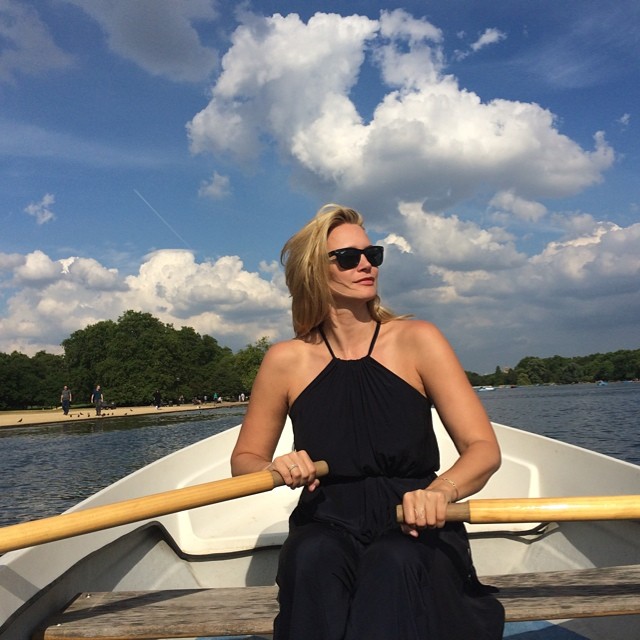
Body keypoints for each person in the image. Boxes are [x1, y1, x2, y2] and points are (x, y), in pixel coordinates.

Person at [231, 204, 504, 639]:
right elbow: (244, 460)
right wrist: (273, 467)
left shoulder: (418, 340)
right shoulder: (284, 360)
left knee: (393, 561)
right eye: (348, 257)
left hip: (415, 519)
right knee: (312, 557)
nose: (366, 265)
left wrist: (441, 492)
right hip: (326, 520)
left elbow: (483, 449)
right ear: (313, 272)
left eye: (372, 254)